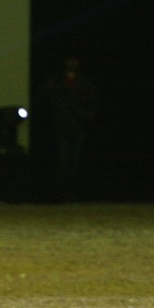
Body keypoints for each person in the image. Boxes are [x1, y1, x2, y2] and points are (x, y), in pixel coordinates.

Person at [41, 56, 98, 201]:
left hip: (79, 125)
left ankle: (73, 193)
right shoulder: (56, 80)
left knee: (75, 159)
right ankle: (61, 193)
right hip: (62, 124)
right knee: (63, 157)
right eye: (70, 61)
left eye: (75, 61)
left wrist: (85, 117)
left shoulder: (84, 82)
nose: (72, 63)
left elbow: (92, 102)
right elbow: (46, 96)